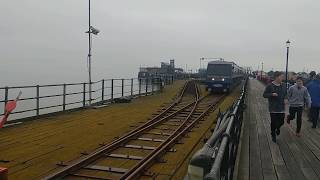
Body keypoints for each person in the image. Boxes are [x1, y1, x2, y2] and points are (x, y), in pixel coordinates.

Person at [263, 71, 287, 143]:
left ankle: (277, 128)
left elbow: (286, 94)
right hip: (273, 108)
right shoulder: (270, 86)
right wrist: (272, 94)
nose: (282, 78)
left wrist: (286, 98)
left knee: (281, 121)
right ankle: (273, 134)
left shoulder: (284, 85)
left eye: (282, 77)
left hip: (281, 107)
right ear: (276, 77)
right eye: (281, 77)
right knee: (273, 122)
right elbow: (264, 95)